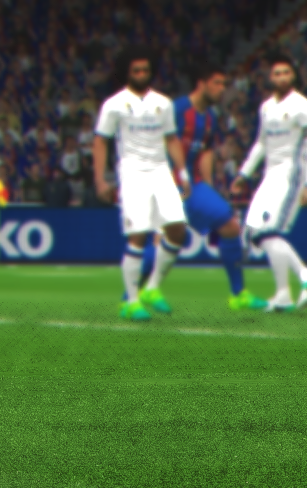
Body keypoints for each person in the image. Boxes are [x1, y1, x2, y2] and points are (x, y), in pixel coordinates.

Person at [93, 46, 191, 322]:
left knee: (177, 230)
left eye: (145, 70)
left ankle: (152, 287)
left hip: (160, 171)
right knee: (138, 234)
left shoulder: (163, 103)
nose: (141, 74)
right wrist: (100, 179)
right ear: (127, 73)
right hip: (133, 172)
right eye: (136, 70)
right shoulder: (114, 104)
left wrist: (183, 173)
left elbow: (171, 138)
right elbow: (100, 141)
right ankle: (131, 301)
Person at [230, 54, 307, 312]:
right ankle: (283, 293)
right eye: (277, 73)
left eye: (286, 72)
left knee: (268, 231)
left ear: (293, 76)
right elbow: (261, 143)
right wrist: (244, 174)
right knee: (254, 232)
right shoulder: (266, 107)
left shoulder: (303, 106)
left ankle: (306, 277)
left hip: (291, 174)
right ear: (270, 78)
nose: (281, 77)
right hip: (270, 176)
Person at [174, 63, 268, 311]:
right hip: (165, 183)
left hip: (193, 185)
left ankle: (238, 294)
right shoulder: (177, 109)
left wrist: (208, 187)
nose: (222, 89)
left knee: (230, 225)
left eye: (224, 84)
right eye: (216, 83)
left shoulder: (210, 117)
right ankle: (131, 298)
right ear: (201, 83)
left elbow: (205, 151)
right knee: (163, 240)